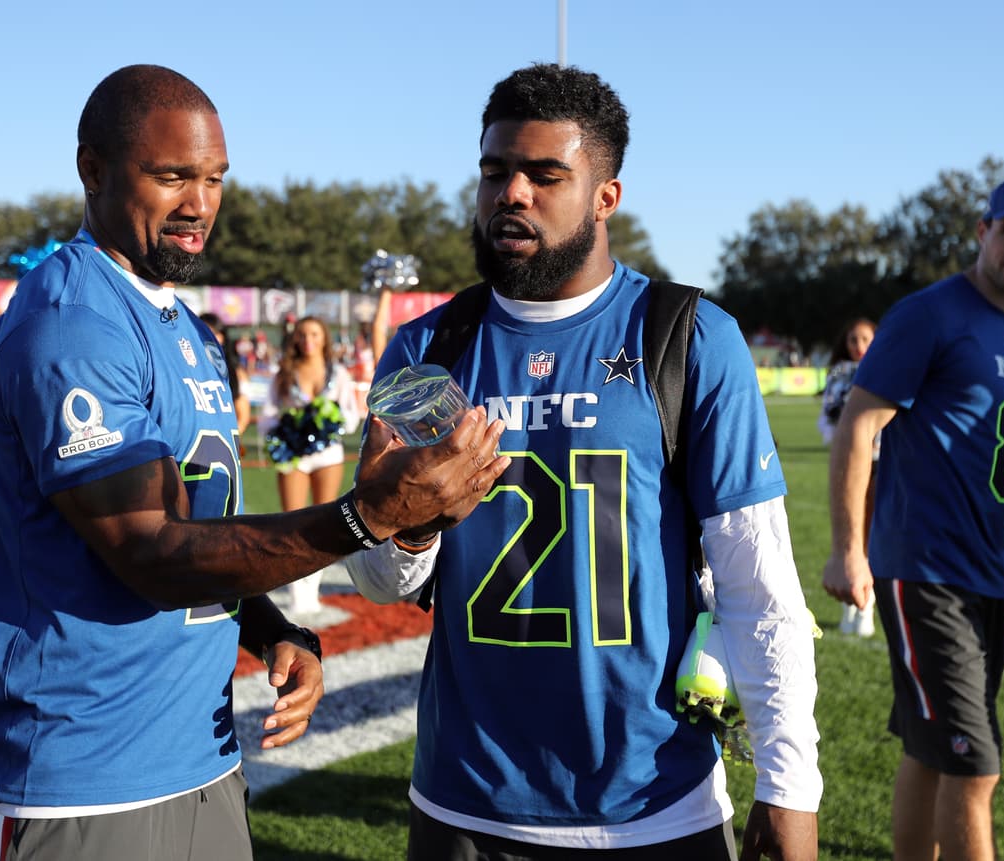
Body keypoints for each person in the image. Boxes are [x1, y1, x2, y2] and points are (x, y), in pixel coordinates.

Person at [0, 64, 508, 861]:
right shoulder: (74, 322)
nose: (199, 204)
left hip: (201, 756)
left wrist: (272, 625)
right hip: (80, 777)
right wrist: (370, 517)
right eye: (172, 176)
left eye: (214, 178)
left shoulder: (185, 327)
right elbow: (149, 551)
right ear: (93, 170)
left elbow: (202, 534)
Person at [345, 64, 820, 860]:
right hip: (467, 803)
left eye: (544, 174)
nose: (512, 194)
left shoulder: (688, 337)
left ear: (606, 196)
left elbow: (758, 583)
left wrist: (789, 784)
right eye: (495, 172)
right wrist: (412, 523)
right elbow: (381, 582)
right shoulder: (426, 350)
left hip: (655, 802)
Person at [822, 173, 1004, 861]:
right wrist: (849, 548)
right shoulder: (929, 314)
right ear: (982, 232)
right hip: (924, 569)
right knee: (974, 763)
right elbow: (858, 427)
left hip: (988, 570)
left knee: (931, 750)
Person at [259, 315, 362, 614]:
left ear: (324, 338)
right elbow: (268, 413)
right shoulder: (284, 373)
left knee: (323, 521)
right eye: (303, 334)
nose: (308, 340)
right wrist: (288, 430)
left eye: (315, 334)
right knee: (292, 521)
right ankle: (296, 592)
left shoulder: (338, 373)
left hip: (328, 454)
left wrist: (329, 426)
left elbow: (351, 414)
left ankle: (312, 588)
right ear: (295, 338)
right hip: (293, 455)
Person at [818, 317, 878, 637]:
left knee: (870, 537)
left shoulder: (887, 367)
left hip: (882, 463)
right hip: (850, 465)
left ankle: (866, 605)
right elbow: (829, 415)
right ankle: (849, 602)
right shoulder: (840, 373)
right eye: (854, 339)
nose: (859, 346)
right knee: (848, 534)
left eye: (866, 339)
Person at [198, 310, 251, 431]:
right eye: (200, 333)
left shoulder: (237, 373)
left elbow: (243, 416)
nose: (205, 339)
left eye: (212, 333)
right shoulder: (187, 368)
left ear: (222, 337)